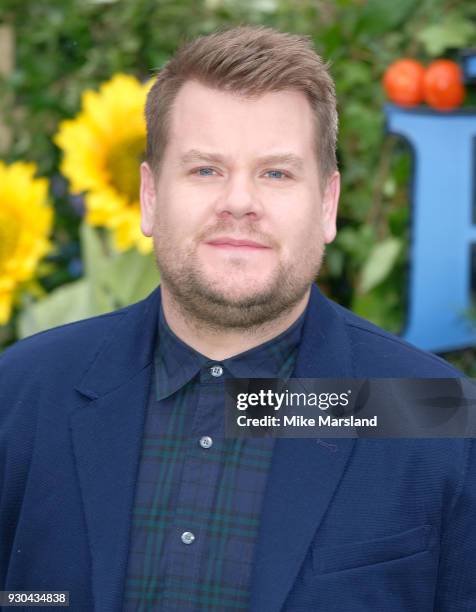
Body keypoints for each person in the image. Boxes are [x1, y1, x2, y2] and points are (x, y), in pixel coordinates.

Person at [0, 24, 475, 612]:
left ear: (327, 205)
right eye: (205, 169)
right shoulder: (19, 395)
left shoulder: (439, 415)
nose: (240, 202)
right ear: (149, 198)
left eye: (276, 172)